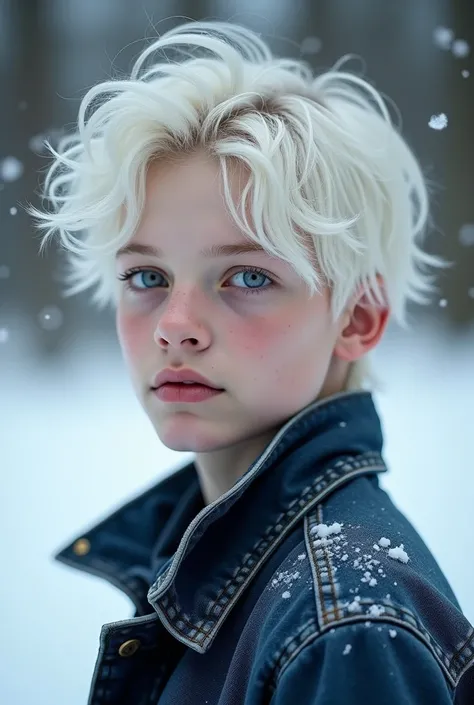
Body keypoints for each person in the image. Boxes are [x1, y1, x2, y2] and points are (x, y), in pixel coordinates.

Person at [27, 19, 474, 705]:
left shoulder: (347, 623)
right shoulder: (221, 561)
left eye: (248, 277)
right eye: (147, 277)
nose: (176, 327)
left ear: (357, 318)